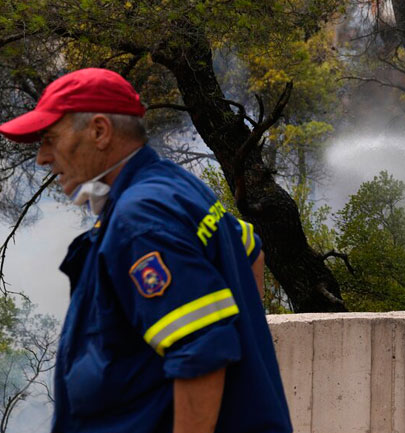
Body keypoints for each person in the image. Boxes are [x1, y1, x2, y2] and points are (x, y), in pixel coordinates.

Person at [0, 68, 291, 433]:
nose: (43, 157)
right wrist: (248, 356)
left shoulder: (141, 217)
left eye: (49, 138)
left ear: (99, 131)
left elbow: (200, 352)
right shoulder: (174, 185)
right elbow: (251, 252)